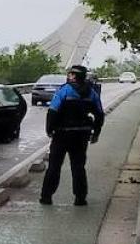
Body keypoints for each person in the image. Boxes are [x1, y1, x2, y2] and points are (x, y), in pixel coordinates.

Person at [41, 64, 105, 207]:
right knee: (78, 167)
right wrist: (96, 132)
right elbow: (99, 114)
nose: (68, 76)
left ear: (74, 76)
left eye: (70, 74)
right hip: (82, 135)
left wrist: (49, 129)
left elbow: (53, 111)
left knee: (54, 166)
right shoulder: (91, 93)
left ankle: (46, 196)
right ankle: (80, 198)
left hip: (62, 135)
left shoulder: (64, 90)